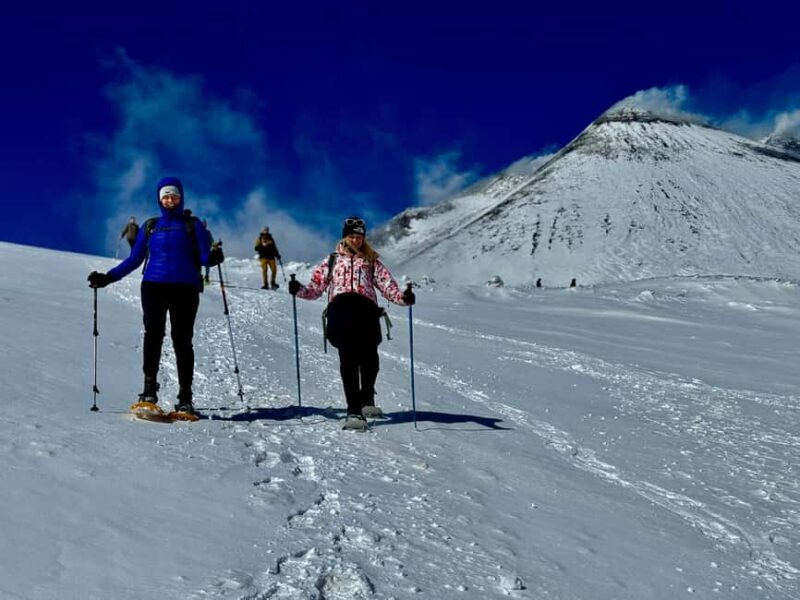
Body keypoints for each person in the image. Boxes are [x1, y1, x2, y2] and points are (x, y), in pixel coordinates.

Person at [87, 177, 224, 415]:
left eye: (174, 196)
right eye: (166, 196)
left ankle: (185, 396)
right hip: (153, 286)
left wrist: (212, 258)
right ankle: (148, 390)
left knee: (182, 340)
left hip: (186, 288)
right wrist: (107, 277)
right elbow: (134, 259)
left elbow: (203, 256)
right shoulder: (150, 226)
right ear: (160, 199)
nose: (170, 200)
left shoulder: (193, 225)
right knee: (153, 336)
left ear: (181, 198)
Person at [289, 216, 415, 430]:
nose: (356, 240)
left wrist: (403, 298)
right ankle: (353, 411)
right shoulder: (331, 261)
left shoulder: (371, 260)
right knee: (348, 359)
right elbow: (316, 288)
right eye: (352, 236)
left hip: (366, 310)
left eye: (359, 236)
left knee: (369, 359)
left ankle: (367, 398)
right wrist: (299, 290)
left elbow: (387, 285)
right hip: (340, 310)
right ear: (345, 236)